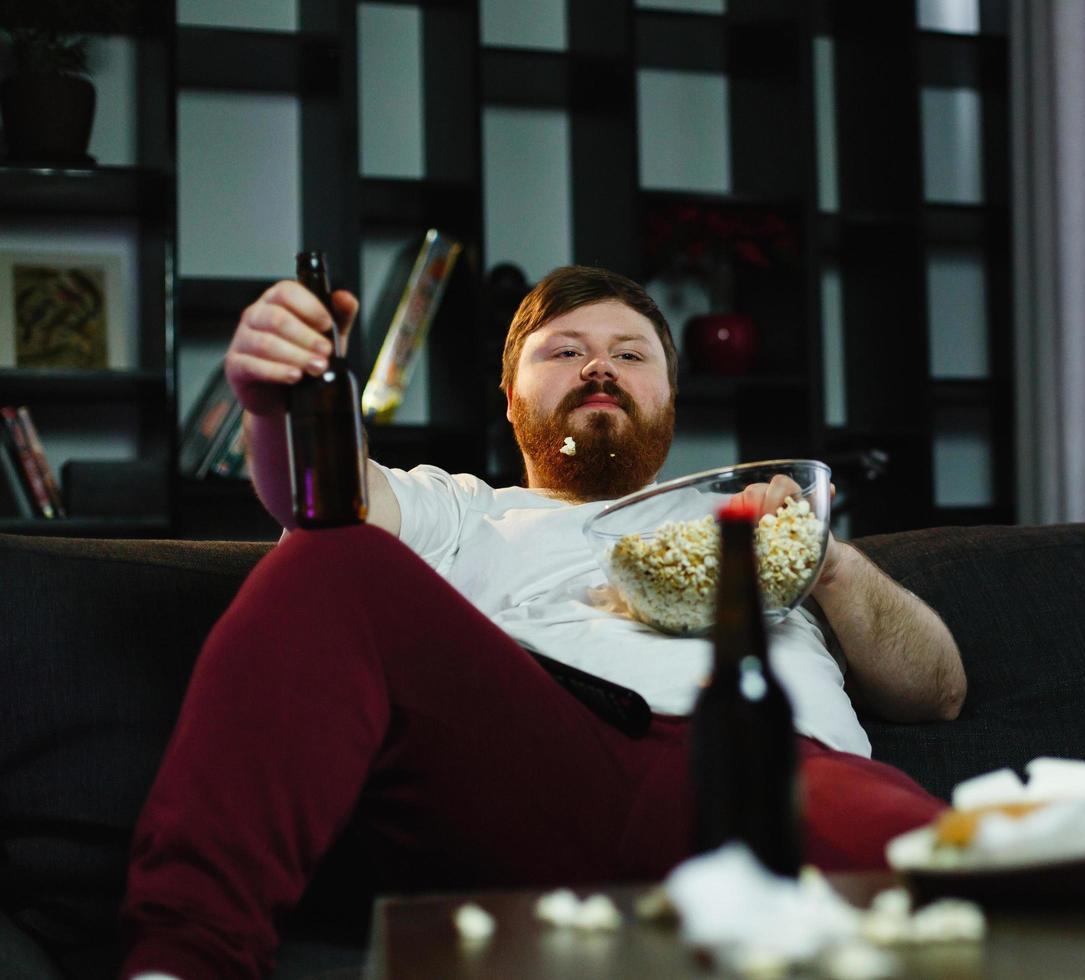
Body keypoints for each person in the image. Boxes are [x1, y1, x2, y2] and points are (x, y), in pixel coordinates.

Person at [120, 265, 965, 979]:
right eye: (565, 351)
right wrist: (275, 407)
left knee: (970, 893)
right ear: (511, 393)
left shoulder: (759, 523)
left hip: (772, 768)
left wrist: (826, 558)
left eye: (630, 354)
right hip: (539, 768)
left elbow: (938, 693)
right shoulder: (463, 507)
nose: (600, 367)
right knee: (328, 554)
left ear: (671, 397)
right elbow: (328, 501)